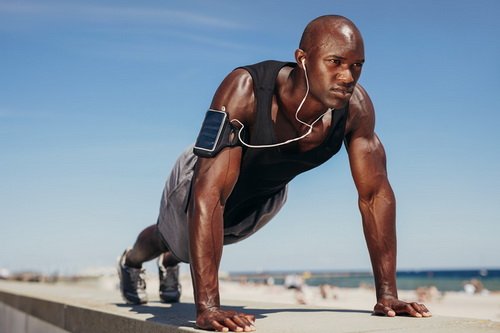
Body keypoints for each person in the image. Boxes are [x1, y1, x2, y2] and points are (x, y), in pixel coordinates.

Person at [117, 14, 431, 332]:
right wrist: (208, 306)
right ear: (303, 60)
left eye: (356, 65)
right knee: (169, 237)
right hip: (203, 176)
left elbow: (374, 196)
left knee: (190, 247)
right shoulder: (244, 89)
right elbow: (209, 193)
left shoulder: (356, 110)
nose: (348, 76)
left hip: (265, 197)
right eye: (335, 61)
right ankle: (131, 262)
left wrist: (388, 295)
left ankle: (174, 259)